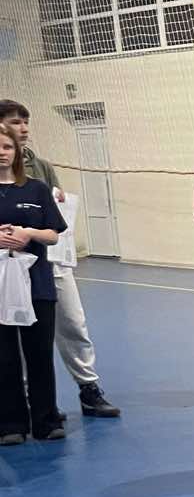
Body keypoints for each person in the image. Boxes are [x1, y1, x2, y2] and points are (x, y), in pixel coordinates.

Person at [0, 100, 120, 419]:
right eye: (15, 122)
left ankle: (88, 388)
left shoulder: (41, 167)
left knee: (73, 323)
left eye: (26, 122)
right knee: (17, 334)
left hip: (48, 263)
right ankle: (27, 401)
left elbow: (52, 217)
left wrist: (56, 200)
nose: (23, 128)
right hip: (8, 268)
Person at [0, 126, 66, 445]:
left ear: (16, 151)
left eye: (6, 147)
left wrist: (28, 233)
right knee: (4, 355)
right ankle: (10, 424)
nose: (1, 153)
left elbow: (53, 234)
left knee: (39, 353)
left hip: (36, 283)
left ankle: (46, 420)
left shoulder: (36, 189)